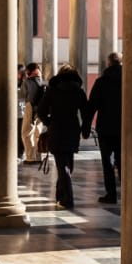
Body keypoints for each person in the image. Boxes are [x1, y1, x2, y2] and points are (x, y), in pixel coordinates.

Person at [39, 64, 88, 209]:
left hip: (57, 130)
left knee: (63, 166)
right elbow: (86, 113)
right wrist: (84, 130)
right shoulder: (78, 91)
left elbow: (41, 110)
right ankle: (61, 196)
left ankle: (67, 199)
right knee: (67, 165)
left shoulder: (52, 90)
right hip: (72, 130)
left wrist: (49, 122)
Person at [84, 52, 122, 204]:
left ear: (108, 64)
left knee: (107, 162)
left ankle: (111, 194)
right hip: (124, 128)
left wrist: (85, 127)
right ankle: (128, 193)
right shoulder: (129, 80)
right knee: (123, 161)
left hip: (105, 128)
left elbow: (92, 105)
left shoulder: (101, 82)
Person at [20, 62, 45, 165]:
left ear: (29, 71)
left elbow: (22, 95)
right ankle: (39, 157)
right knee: (38, 133)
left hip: (31, 107)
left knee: (27, 132)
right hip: (42, 109)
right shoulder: (43, 82)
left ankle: (30, 157)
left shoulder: (27, 82)